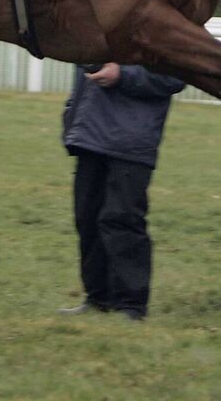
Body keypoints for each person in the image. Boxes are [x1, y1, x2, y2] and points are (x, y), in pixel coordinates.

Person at [58, 63, 184, 321]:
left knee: (122, 218)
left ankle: (131, 305)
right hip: (90, 132)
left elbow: (175, 75)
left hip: (132, 139)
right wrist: (72, 111)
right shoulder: (96, 24)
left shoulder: (163, 25)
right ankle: (97, 298)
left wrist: (122, 75)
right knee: (87, 218)